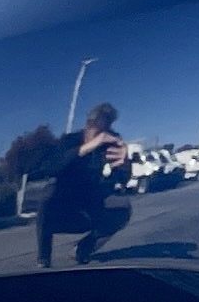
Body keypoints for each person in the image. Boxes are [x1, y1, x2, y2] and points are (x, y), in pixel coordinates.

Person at [36, 102, 129, 267]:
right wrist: (85, 148)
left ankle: (82, 250)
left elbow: (122, 180)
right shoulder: (69, 140)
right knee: (47, 194)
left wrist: (124, 163)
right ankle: (43, 258)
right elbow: (50, 168)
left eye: (106, 130)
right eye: (98, 131)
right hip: (64, 205)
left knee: (122, 207)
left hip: (91, 202)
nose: (102, 137)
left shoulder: (110, 146)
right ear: (88, 126)